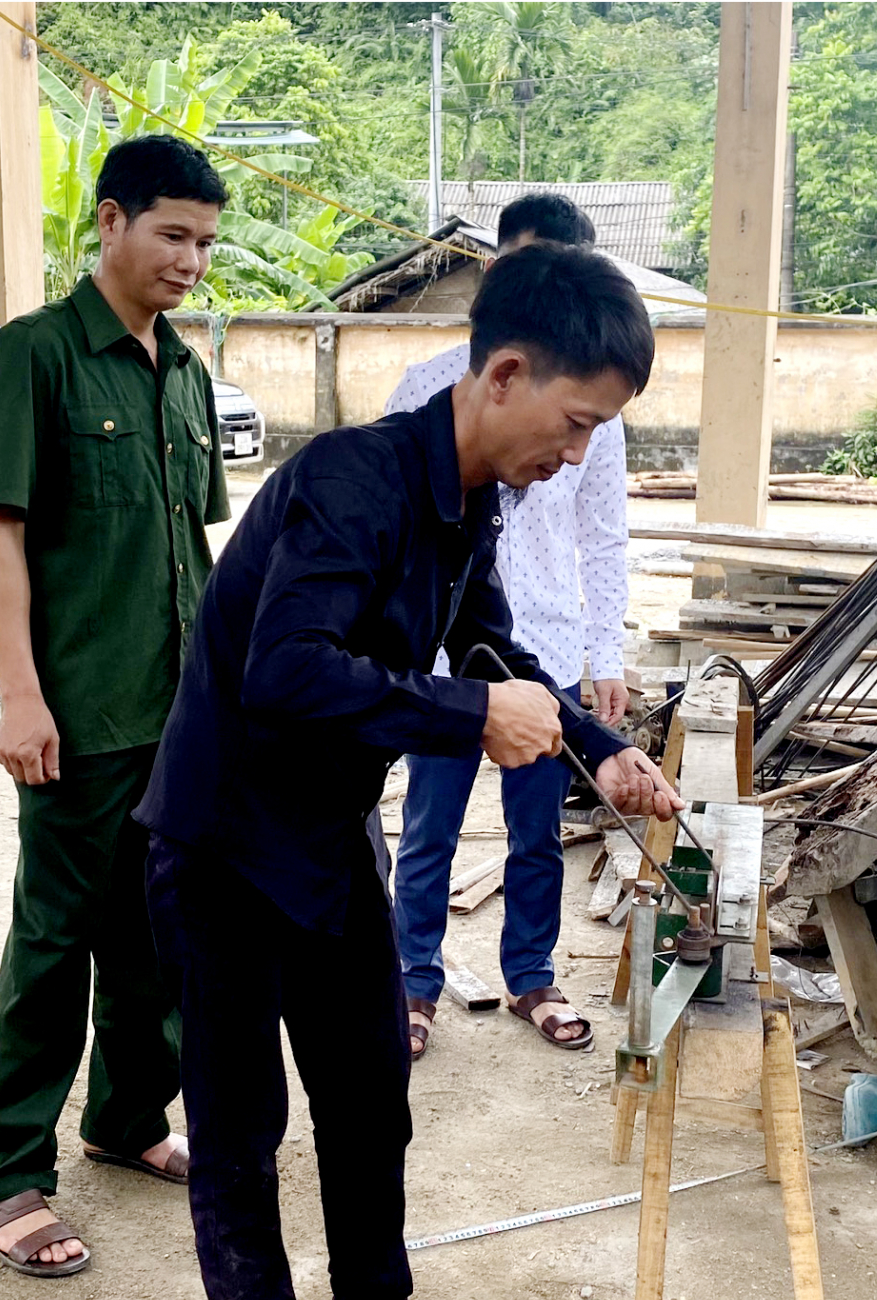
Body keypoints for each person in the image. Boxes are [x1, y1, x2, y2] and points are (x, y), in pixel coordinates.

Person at [137, 244, 680, 1300]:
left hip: (330, 836)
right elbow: (282, 671)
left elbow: (487, 641)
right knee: (240, 1133)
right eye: (575, 423)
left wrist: (600, 749)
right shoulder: (355, 480)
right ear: (504, 374)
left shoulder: (467, 499)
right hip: (224, 844)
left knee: (369, 1091)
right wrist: (471, 714)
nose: (576, 454)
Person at [0, 134, 230, 1277]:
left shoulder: (187, 371)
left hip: (174, 720)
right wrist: (20, 695)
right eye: (172, 234)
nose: (190, 261)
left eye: (208, 243)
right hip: (74, 719)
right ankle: (7, 1174)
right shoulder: (34, 356)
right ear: (111, 223)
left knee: (157, 942)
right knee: (54, 945)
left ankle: (126, 1123)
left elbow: (195, 549)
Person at [387, 193, 630, 1060]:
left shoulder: (595, 409)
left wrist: (607, 656)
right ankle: (413, 978)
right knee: (431, 823)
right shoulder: (425, 393)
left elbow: (604, 533)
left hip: (548, 645)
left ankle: (529, 970)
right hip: (453, 657)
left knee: (538, 834)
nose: (570, 450)